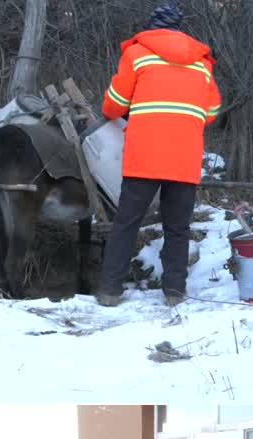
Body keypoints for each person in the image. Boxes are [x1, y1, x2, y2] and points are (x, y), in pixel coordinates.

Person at [94, 3, 221, 308]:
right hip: (184, 158)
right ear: (180, 28)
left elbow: (112, 106)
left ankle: (110, 290)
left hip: (144, 156)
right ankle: (174, 292)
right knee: (177, 227)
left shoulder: (137, 54)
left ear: (152, 27)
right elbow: (213, 111)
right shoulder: (201, 63)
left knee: (127, 222)